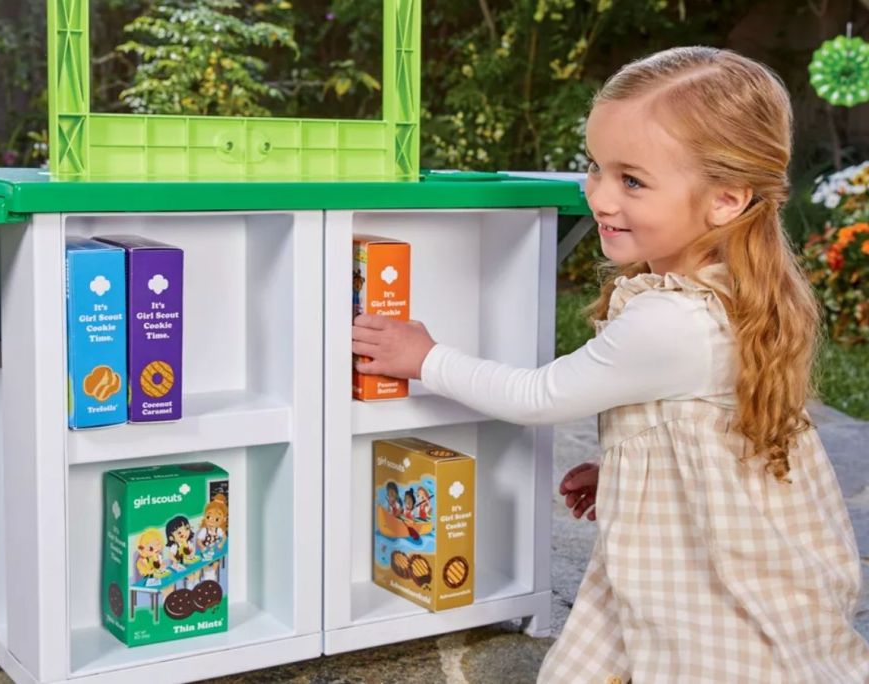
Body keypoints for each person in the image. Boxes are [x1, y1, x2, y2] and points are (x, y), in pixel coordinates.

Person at [352, 46, 869, 682]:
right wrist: (629, 467)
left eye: (633, 180)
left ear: (726, 199)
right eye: (596, 168)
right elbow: (707, 429)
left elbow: (538, 396)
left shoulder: (670, 319)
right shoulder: (735, 286)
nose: (599, 195)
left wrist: (424, 357)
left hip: (700, 575)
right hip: (717, 538)